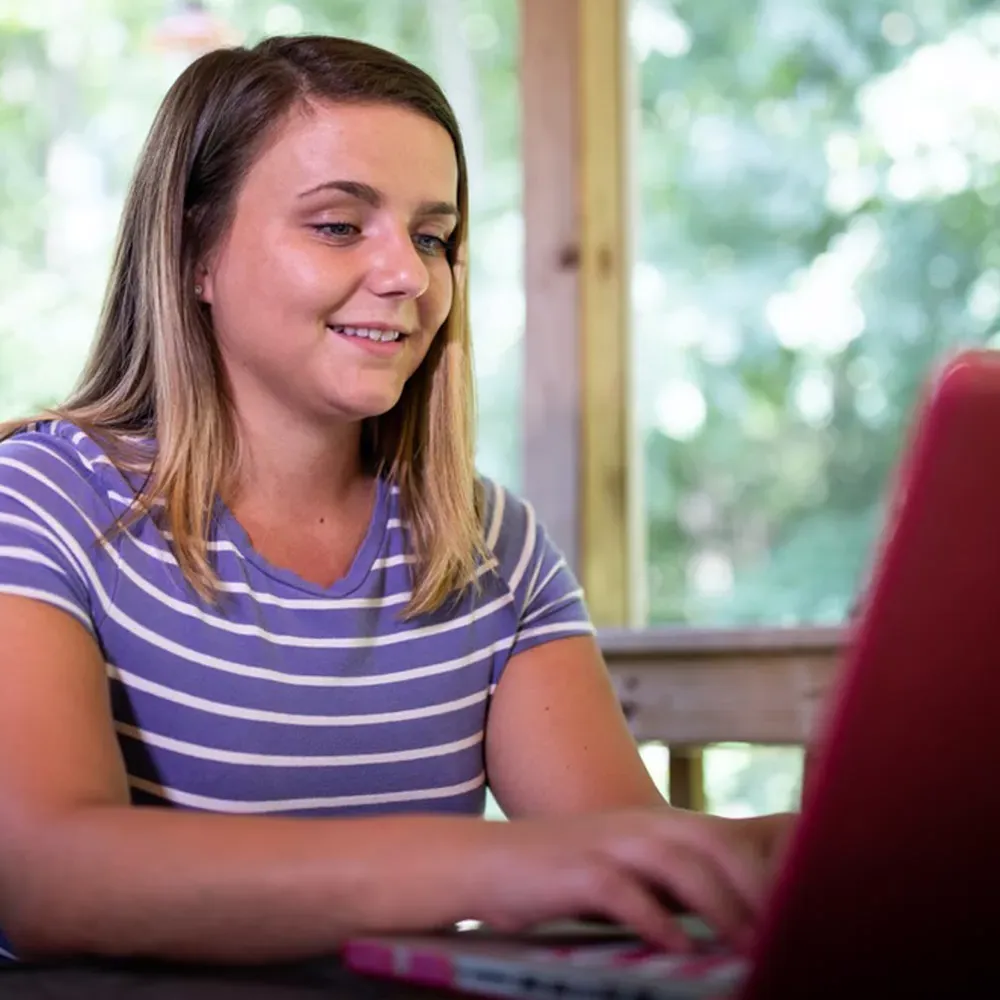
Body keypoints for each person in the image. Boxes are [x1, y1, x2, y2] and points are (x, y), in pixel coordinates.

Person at [0, 34, 793, 966]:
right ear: (193, 256)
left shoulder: (492, 544)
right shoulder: (40, 500)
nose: (411, 275)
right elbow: (46, 877)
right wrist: (493, 866)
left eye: (432, 237)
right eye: (340, 225)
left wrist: (763, 851)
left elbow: (618, 860)